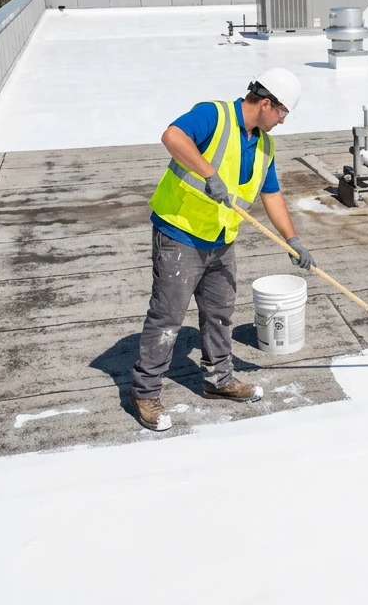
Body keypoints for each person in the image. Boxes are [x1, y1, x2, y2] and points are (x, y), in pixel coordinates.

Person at [129, 67, 316, 431]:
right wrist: (208, 174)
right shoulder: (214, 115)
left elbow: (271, 193)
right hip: (180, 233)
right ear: (266, 103)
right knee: (168, 318)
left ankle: (218, 380)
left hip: (221, 239)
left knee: (220, 312)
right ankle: (145, 391)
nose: (282, 121)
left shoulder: (264, 144)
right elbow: (172, 136)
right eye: (282, 113)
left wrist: (292, 239)